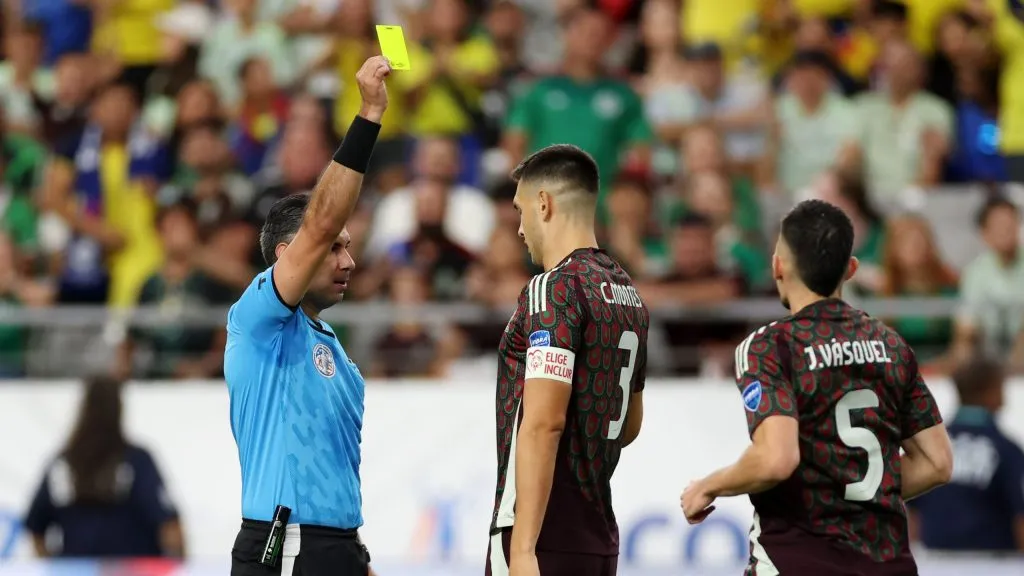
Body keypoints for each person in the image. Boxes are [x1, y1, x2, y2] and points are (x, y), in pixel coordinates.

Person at [680, 199, 954, 575]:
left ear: (778, 266)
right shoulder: (891, 345)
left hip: (796, 560)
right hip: (887, 565)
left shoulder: (770, 347)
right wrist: (851, 493)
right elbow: (937, 463)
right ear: (851, 269)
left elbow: (775, 459)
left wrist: (709, 486)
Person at [223, 56, 390, 576]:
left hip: (337, 548)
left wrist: (356, 555)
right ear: (286, 255)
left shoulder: (335, 350)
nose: (349, 261)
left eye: (349, 247)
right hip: (285, 546)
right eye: (334, 247)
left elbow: (336, 475)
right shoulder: (257, 320)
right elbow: (321, 220)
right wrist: (368, 115)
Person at [485, 144, 651, 576]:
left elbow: (544, 422)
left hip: (543, 533)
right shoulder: (628, 293)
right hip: (598, 536)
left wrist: (524, 548)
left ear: (543, 204)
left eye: (520, 210)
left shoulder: (553, 289)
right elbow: (629, 425)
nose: (519, 228)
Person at [24, 376, 184, 558]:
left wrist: (56, 567)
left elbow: (35, 529)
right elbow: (170, 529)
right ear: (119, 410)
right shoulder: (136, 462)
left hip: (78, 567)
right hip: (131, 567)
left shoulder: (62, 464)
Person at [908, 356, 1024, 551]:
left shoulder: (932, 446)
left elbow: (912, 517)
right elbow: (1020, 519)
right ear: (989, 390)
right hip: (993, 562)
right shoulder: (1006, 450)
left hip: (934, 561)